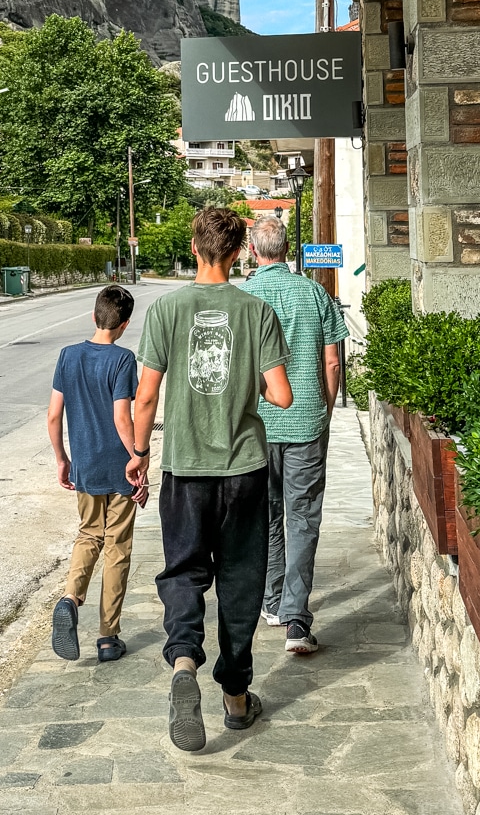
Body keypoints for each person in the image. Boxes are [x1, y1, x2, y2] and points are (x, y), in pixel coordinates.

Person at [127, 206, 292, 753]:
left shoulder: (167, 310)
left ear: (195, 249)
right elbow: (281, 396)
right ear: (241, 250)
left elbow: (146, 395)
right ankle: (237, 699)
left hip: (185, 469)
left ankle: (182, 664)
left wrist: (138, 451)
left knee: (184, 573)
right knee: (242, 583)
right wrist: (252, 386)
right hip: (244, 469)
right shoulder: (257, 311)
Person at [240, 213, 347, 656]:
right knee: (302, 516)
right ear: (287, 250)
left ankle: (270, 600)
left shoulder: (242, 296)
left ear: (252, 251)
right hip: (304, 421)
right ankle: (296, 621)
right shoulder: (315, 293)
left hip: (255, 425)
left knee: (264, 514)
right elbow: (333, 362)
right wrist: (325, 410)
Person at [47, 284, 147, 664]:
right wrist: (139, 457)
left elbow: (54, 415)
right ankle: (108, 637)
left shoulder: (68, 356)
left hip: (86, 464)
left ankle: (71, 598)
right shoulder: (123, 360)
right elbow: (124, 417)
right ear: (124, 324)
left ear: (94, 316)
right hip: (119, 466)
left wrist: (62, 458)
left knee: (89, 534)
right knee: (117, 548)